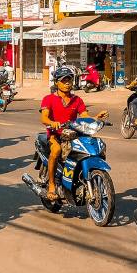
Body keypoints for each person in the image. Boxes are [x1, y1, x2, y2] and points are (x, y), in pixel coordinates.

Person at [39, 66, 107, 201]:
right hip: (55, 135)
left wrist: (96, 118)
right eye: (64, 80)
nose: (67, 83)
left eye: (69, 80)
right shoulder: (49, 98)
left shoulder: (77, 100)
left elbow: (84, 116)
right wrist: (52, 123)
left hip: (74, 134)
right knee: (56, 150)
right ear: (56, 82)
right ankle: (51, 184)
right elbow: (44, 118)